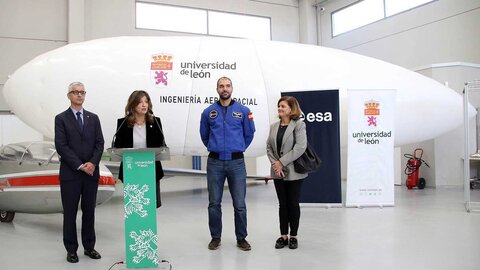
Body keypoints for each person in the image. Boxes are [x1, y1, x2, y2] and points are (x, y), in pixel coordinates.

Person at [200, 76, 256, 251]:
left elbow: (249, 134)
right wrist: (215, 147)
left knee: (239, 204)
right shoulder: (208, 112)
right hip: (215, 163)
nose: (225, 89)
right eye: (221, 86)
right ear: (217, 89)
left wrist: (237, 148)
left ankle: (241, 238)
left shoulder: (244, 110)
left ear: (232, 88)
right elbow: (204, 135)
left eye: (228, 86)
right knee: (214, 203)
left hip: (237, 163)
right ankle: (215, 237)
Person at [54, 82, 104, 263]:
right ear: (69, 95)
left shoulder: (93, 118)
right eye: (75, 92)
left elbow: (100, 143)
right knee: (70, 212)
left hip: (91, 174)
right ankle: (71, 250)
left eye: (82, 92)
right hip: (71, 174)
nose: (79, 95)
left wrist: (92, 163)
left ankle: (89, 247)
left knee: (89, 211)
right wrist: (80, 165)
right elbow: (61, 146)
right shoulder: (61, 119)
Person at [266, 96, 308, 250]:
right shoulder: (273, 126)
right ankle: (283, 235)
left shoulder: (298, 125)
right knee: (282, 204)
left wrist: (281, 162)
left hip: (293, 171)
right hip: (277, 171)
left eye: (283, 106)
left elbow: (300, 147)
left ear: (291, 109)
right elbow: (269, 147)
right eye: (279, 106)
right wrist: (276, 165)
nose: (280, 109)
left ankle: (293, 236)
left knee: (292, 203)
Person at [113, 90, 165, 208]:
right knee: (134, 204)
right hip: (131, 169)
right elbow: (118, 147)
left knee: (150, 205)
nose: (144, 105)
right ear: (132, 105)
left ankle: (148, 227)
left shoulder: (155, 121)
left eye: (146, 102)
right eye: (140, 102)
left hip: (150, 169)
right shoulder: (123, 123)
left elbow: (160, 145)